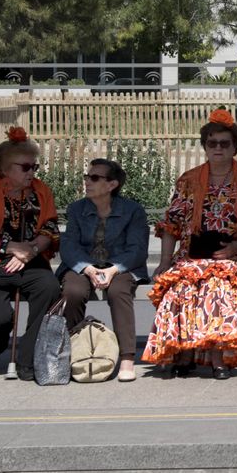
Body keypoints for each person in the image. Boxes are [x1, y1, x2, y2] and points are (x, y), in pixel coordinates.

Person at [145, 109, 237, 380]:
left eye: (225, 143)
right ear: (204, 146)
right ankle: (184, 351)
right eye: (212, 143)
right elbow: (171, 223)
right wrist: (165, 262)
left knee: (216, 285)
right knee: (180, 285)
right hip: (191, 254)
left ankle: (217, 355)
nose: (218, 148)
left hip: (233, 257)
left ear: (235, 147)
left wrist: (235, 248)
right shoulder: (188, 180)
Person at [0, 127, 62, 383]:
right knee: (1, 317)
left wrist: (31, 251)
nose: (31, 173)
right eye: (25, 167)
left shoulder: (41, 191)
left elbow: (49, 227)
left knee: (49, 287)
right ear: (5, 168)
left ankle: (27, 359)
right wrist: (12, 248)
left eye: (34, 167)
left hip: (31, 258)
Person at [57, 158, 150, 383]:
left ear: (112, 185)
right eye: (87, 176)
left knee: (119, 292)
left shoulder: (133, 211)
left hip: (121, 266)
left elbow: (137, 249)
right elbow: (69, 245)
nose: (87, 181)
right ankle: (76, 352)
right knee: (72, 291)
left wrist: (113, 269)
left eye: (95, 178)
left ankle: (127, 358)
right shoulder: (77, 209)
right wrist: (87, 268)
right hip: (84, 264)